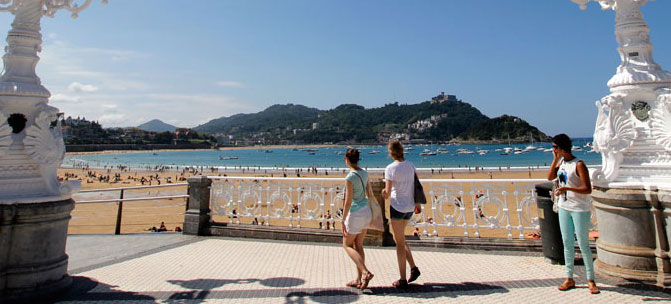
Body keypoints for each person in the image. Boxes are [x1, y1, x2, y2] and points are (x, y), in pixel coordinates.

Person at [547, 134, 600, 294]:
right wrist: (555, 160)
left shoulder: (579, 164)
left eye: (555, 147)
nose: (553, 150)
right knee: (567, 243)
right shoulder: (562, 163)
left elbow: (587, 188)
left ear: (562, 148)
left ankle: (591, 280)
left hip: (579, 208)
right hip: (564, 207)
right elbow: (550, 177)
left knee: (583, 244)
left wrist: (567, 189)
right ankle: (569, 278)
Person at [381, 140, 421, 288]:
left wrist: (383, 193)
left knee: (399, 243)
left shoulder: (390, 168)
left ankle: (403, 279)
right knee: (400, 238)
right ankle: (413, 268)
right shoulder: (410, 165)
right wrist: (417, 204)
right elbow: (416, 185)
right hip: (409, 206)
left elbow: (387, 191)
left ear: (390, 152)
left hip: (397, 207)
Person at [342, 148, 374, 290]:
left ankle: (365, 272)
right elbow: (370, 194)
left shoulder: (350, 177)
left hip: (355, 213)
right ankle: (358, 279)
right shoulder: (364, 173)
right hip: (366, 211)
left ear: (347, 160)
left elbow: (348, 200)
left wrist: (343, 219)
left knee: (347, 245)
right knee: (359, 245)